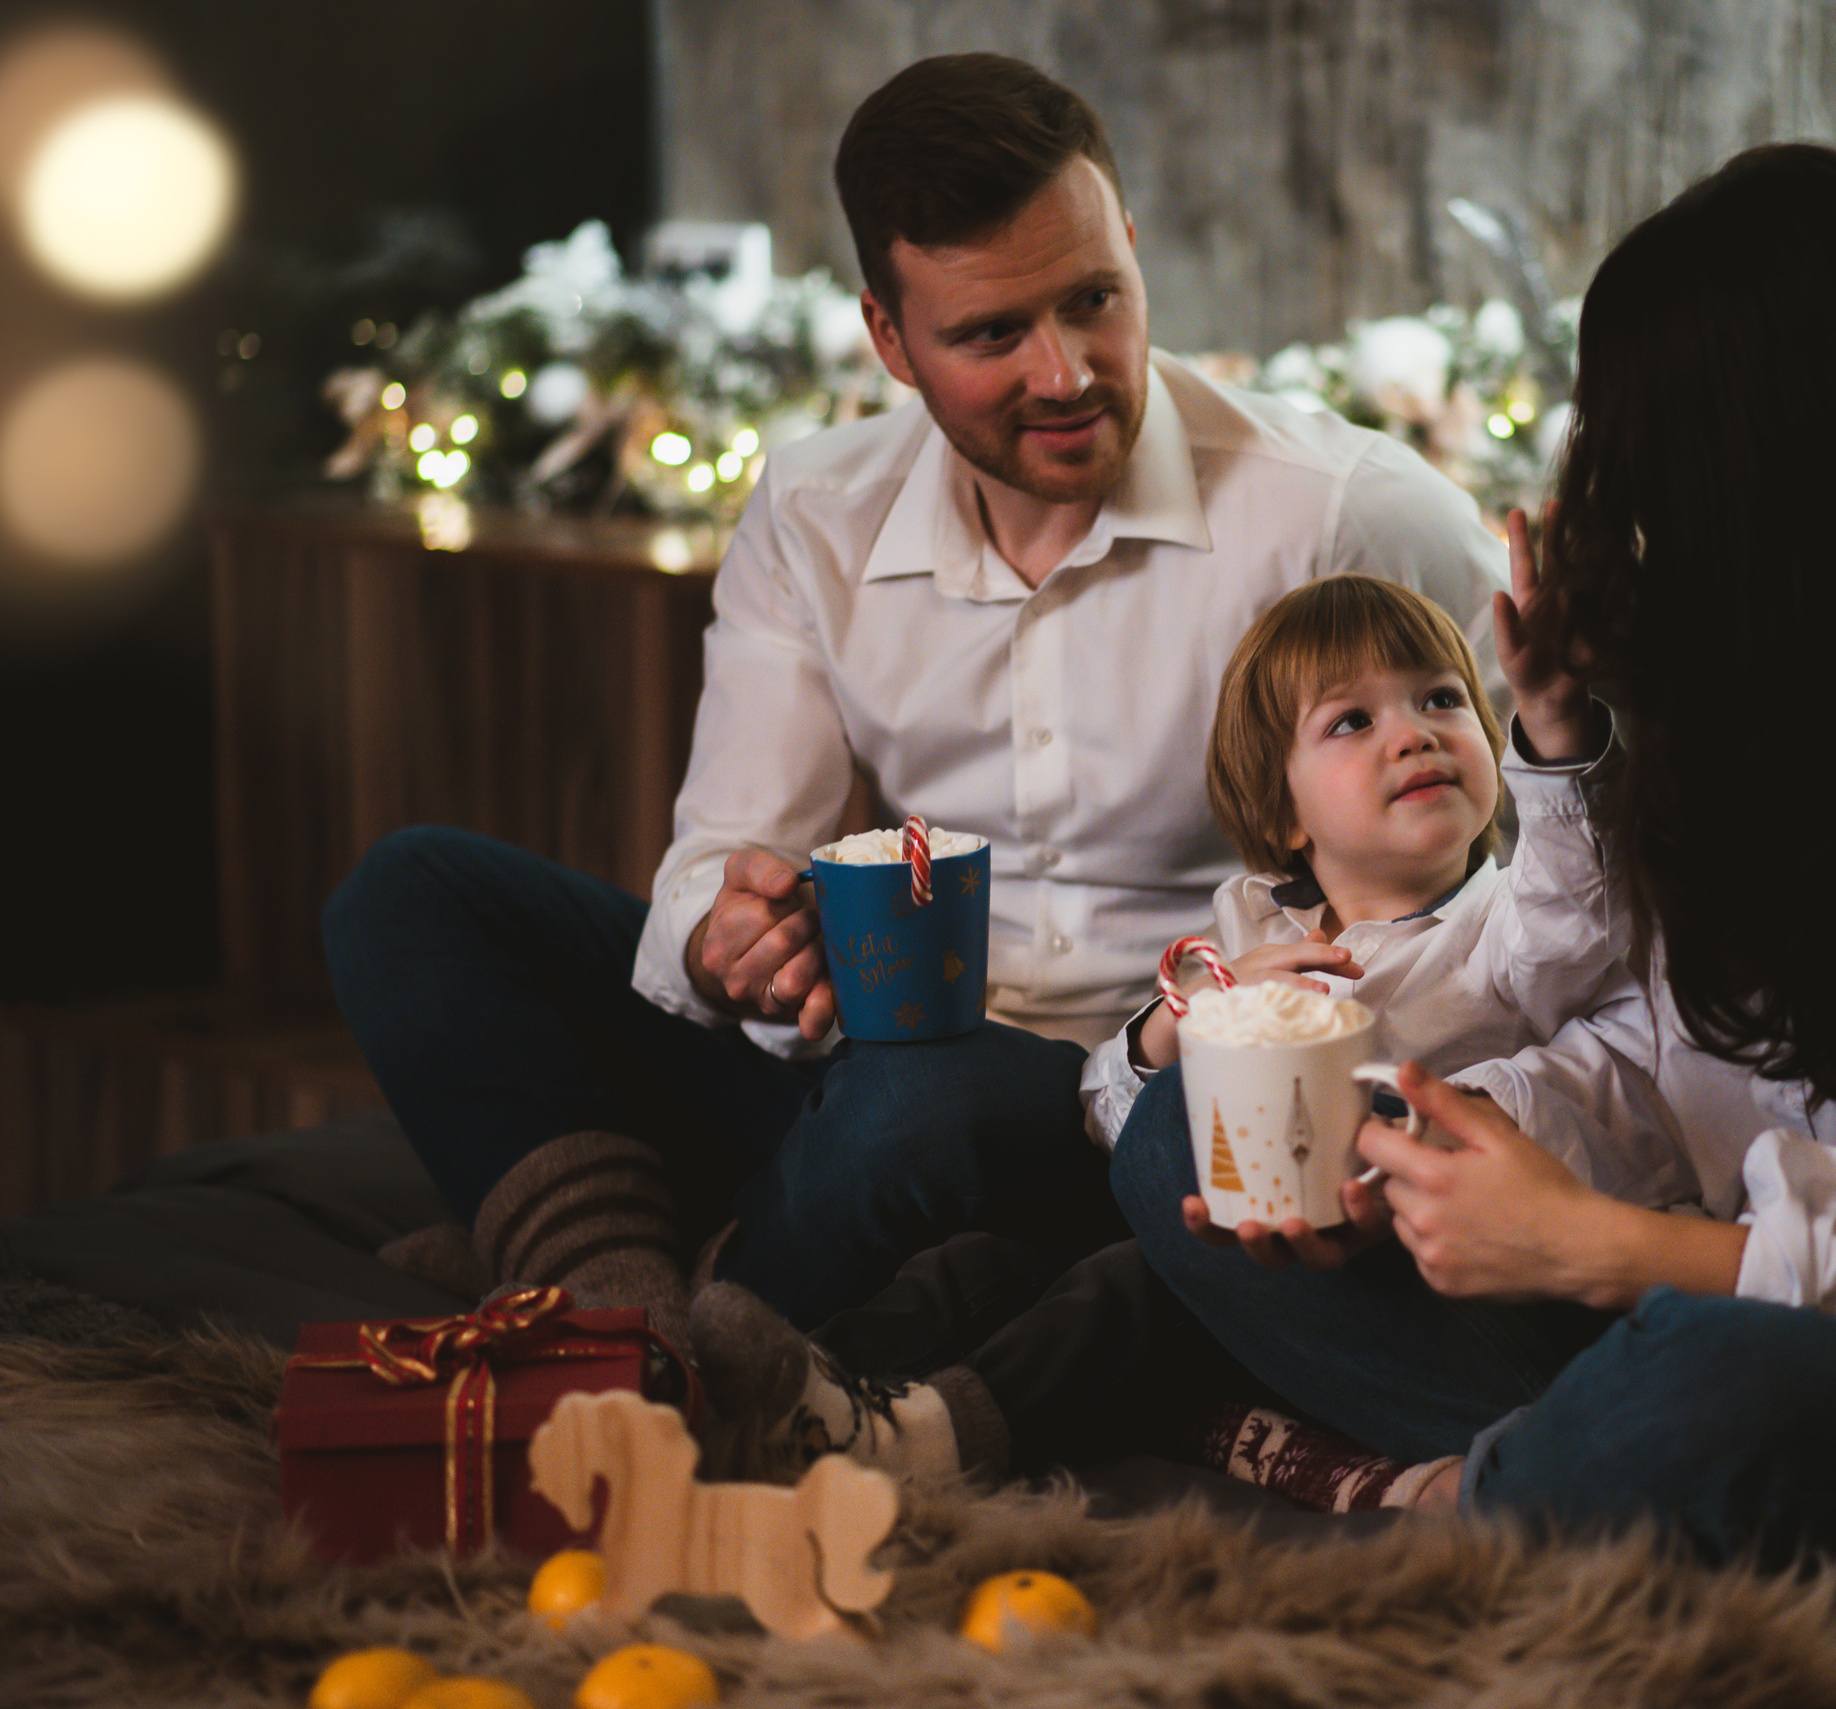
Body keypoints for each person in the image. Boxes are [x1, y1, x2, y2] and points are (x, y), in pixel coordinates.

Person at [1109, 143, 1836, 1558]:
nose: (1628, 505)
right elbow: (1669, 1074)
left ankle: (1475, 1496)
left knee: (1700, 1390)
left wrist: (1585, 1248)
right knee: (1184, 1132)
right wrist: (1436, 1160)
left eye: (1655, 456)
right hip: (1702, 1285)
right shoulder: (1746, 687)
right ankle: (1547, 1474)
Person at [322, 53, 1502, 1351]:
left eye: (1095, 301)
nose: (1065, 373)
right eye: (993, 335)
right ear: (890, 339)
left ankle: (685, 1323)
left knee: (917, 1108)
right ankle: (625, 1291)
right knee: (414, 894)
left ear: (1131, 253)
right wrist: (737, 942)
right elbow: (722, 858)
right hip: (873, 1060)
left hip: (1154, 1098)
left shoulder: (1350, 512)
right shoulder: (819, 511)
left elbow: (1537, 857)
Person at [687, 569, 1696, 1490]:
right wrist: (1188, 1021)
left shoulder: (1504, 925)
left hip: (1403, 1279)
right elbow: (1114, 1125)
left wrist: (1559, 739)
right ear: (1283, 809)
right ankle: (779, 1382)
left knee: (1130, 1286)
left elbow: (1578, 909)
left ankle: (932, 1436)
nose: (1415, 732)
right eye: (1352, 720)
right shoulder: (1252, 922)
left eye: (1442, 699)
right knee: (997, 1262)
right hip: (1230, 1235)